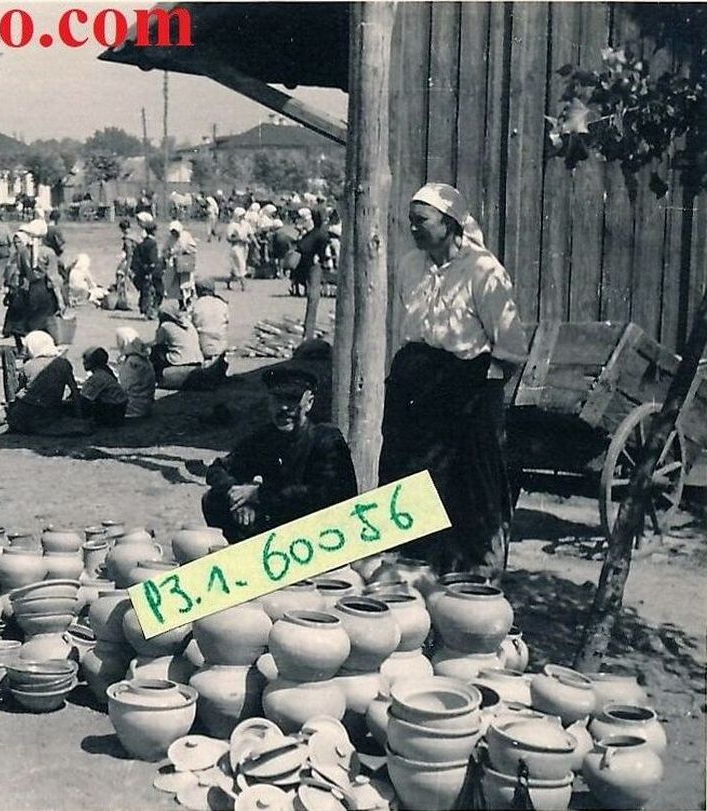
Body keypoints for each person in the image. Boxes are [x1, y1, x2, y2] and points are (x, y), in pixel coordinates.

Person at [380, 182, 529, 579]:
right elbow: (408, 325)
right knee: (408, 472)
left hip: (465, 386)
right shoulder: (410, 265)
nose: (413, 228)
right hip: (416, 383)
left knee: (465, 479)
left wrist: (481, 394)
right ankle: (414, 565)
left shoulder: (483, 270)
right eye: (410, 221)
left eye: (422, 220)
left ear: (449, 223)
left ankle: (467, 574)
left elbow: (511, 345)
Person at [203, 367, 358, 543]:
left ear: (309, 403)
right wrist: (237, 497)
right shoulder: (266, 438)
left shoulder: (327, 439)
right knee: (214, 499)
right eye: (277, 399)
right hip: (278, 524)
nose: (283, 408)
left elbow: (326, 495)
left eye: (291, 400)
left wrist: (259, 495)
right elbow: (219, 469)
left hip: (319, 533)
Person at [6, 331, 84, 435]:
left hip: (24, 414)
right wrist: (79, 416)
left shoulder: (28, 365)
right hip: (50, 412)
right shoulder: (64, 364)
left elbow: (19, 390)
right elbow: (74, 392)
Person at [3, 219, 64, 351]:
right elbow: (53, 278)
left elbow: (19, 273)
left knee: (32, 323)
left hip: (30, 290)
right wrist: (60, 300)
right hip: (45, 291)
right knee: (48, 322)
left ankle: (31, 349)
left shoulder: (23, 252)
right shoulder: (48, 253)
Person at [78, 346, 128, 427]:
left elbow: (84, 399)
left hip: (112, 413)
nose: (83, 362)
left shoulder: (98, 377)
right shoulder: (106, 372)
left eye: (86, 359)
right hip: (119, 410)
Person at [191, 278, 230, 364]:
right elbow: (227, 322)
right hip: (221, 340)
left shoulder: (196, 305)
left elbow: (192, 323)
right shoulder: (222, 304)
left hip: (203, 341)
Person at [131, 213, 161, 319]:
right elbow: (153, 259)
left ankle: (145, 310)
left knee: (145, 291)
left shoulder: (142, 244)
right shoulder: (152, 244)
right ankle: (150, 312)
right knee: (153, 292)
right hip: (150, 271)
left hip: (142, 270)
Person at [164, 220, 197, 308]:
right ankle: (181, 303)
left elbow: (193, 248)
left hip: (185, 263)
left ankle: (188, 300)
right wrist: (169, 254)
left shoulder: (186, 236)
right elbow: (165, 250)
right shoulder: (170, 239)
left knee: (186, 284)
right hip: (174, 264)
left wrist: (185, 251)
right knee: (176, 285)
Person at [225, 208, 250, 291]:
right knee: (241, 266)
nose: (242, 217)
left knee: (237, 267)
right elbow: (229, 238)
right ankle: (243, 286)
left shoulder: (245, 224)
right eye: (241, 216)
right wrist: (239, 239)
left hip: (244, 247)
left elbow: (250, 234)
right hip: (236, 248)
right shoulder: (232, 225)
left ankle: (228, 281)